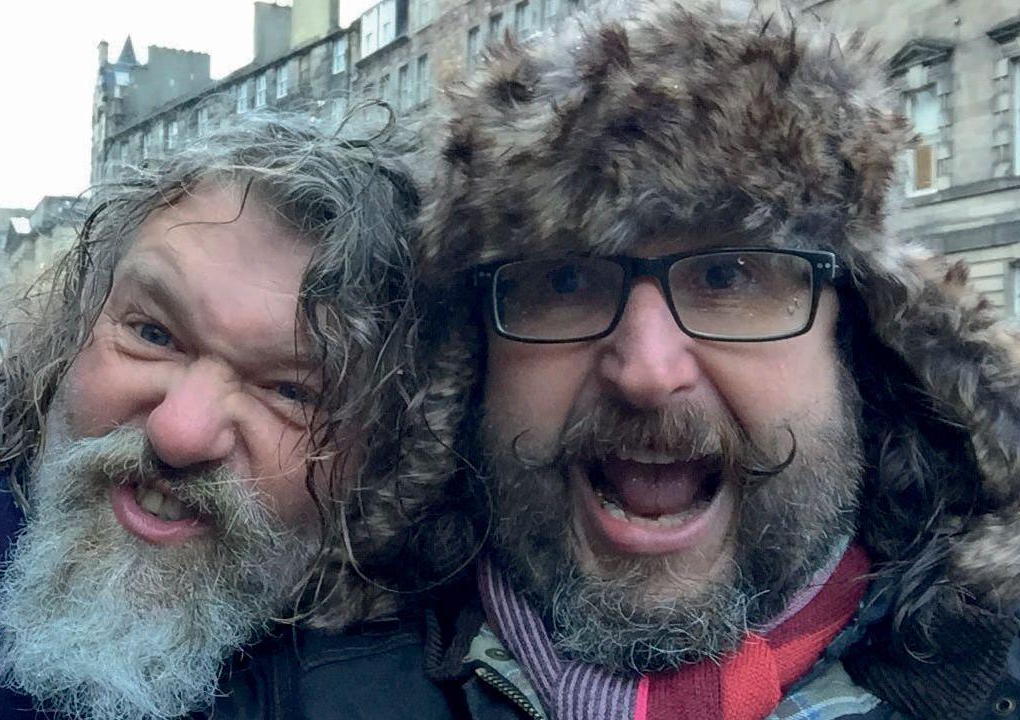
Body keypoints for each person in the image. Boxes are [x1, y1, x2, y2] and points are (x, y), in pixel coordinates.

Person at [385, 3, 1020, 719]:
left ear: (855, 345)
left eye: (730, 277)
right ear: (468, 369)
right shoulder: (301, 687)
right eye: (563, 280)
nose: (648, 372)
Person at [0, 115, 432, 720]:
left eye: (292, 392)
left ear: (386, 457)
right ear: (75, 325)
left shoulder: (415, 686)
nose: (178, 434)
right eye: (153, 334)